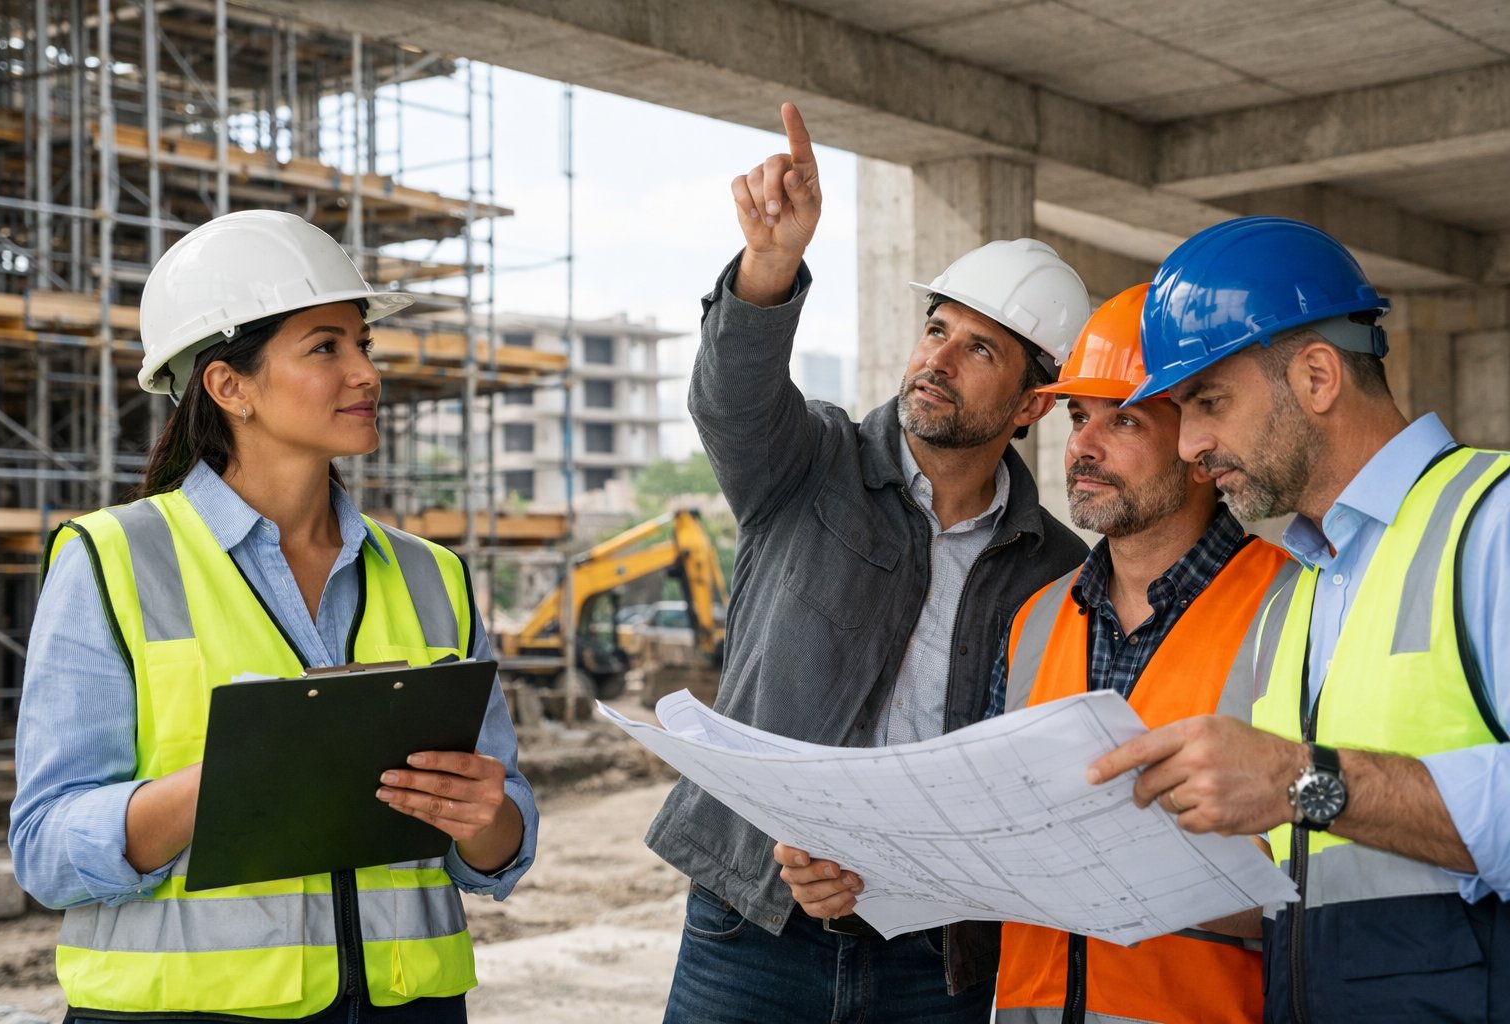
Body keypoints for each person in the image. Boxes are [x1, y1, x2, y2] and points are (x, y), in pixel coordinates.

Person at [9, 210, 538, 1023]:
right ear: (230, 387)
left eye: (364, 344)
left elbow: (499, 845)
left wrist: (485, 817)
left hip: (412, 1009)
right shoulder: (113, 559)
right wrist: (221, 783)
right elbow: (46, 849)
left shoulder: (433, 575)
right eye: (326, 348)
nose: (366, 373)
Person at [647, 101, 1090, 1023]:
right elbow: (730, 400)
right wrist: (770, 265)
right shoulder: (811, 463)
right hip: (751, 931)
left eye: (980, 348)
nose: (939, 359)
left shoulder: (1057, 567)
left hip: (932, 962)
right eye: (937, 329)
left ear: (1032, 405)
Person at [1088, 216, 1510, 1022]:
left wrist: (1300, 779)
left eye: (1209, 402)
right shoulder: (1297, 594)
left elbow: (1311, 788)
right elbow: (1314, 875)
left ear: (1318, 376)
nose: (1190, 445)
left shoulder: (1492, 521)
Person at [987, 284, 1292, 1024]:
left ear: (1199, 447)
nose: (1083, 448)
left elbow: (1333, 873)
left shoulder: (1293, 609)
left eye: (1123, 419)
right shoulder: (1034, 620)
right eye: (1078, 418)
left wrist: (1121, 872)